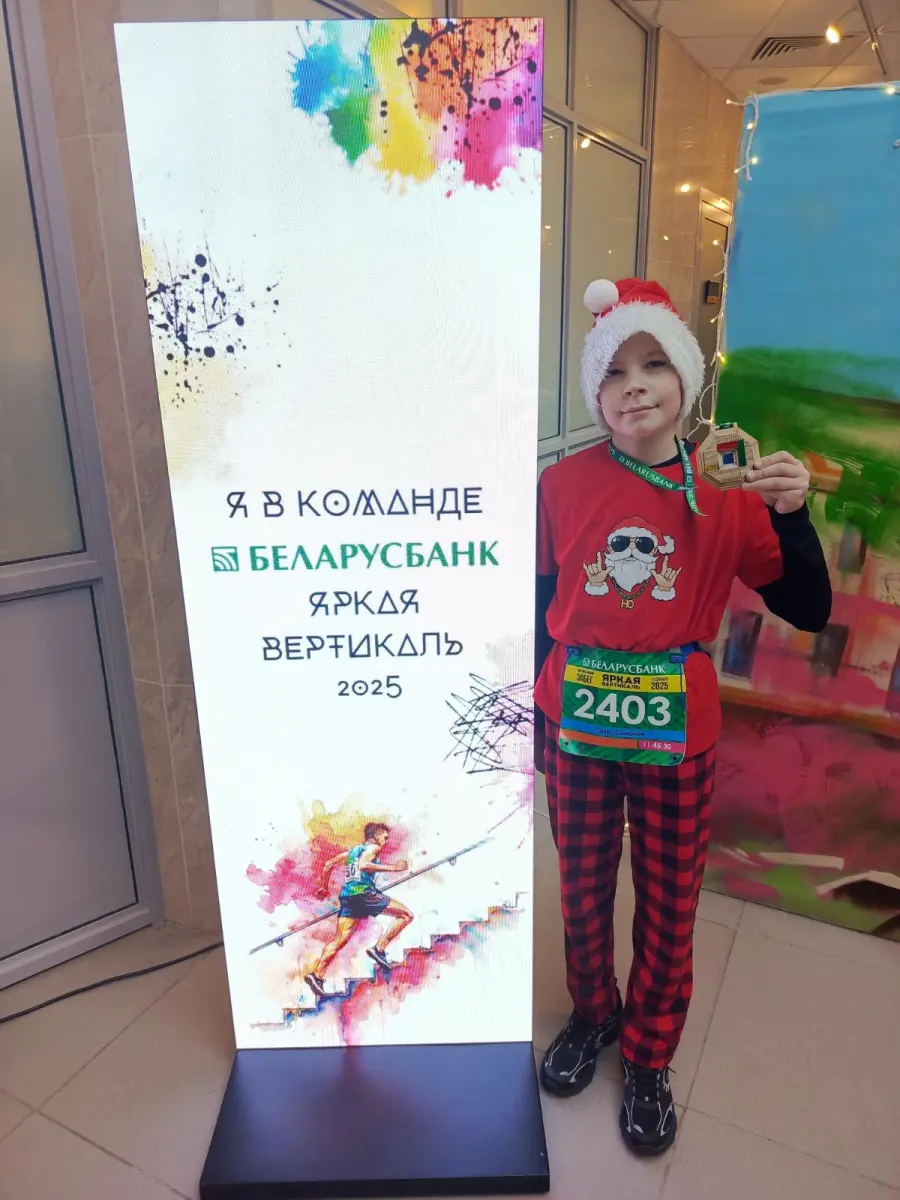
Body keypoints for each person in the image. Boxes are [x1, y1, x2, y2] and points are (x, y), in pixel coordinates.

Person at [534, 277, 831, 1156]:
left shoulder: (727, 491)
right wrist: (533, 719)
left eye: (654, 364)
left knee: (668, 900)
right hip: (577, 722)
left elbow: (808, 607)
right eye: (614, 370)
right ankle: (594, 1013)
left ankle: (650, 1050)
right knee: (582, 885)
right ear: (594, 392)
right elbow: (540, 603)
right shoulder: (559, 484)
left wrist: (794, 515)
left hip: (676, 730)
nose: (635, 386)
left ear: (687, 379)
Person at [304, 822, 413, 998]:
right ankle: (379, 949)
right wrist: (393, 868)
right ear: (375, 836)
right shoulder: (373, 848)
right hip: (363, 894)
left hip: (348, 897)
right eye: (384, 837)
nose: (385, 842)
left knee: (339, 940)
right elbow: (363, 865)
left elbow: (329, 864)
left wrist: (324, 887)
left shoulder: (352, 852)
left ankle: (317, 974)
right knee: (406, 915)